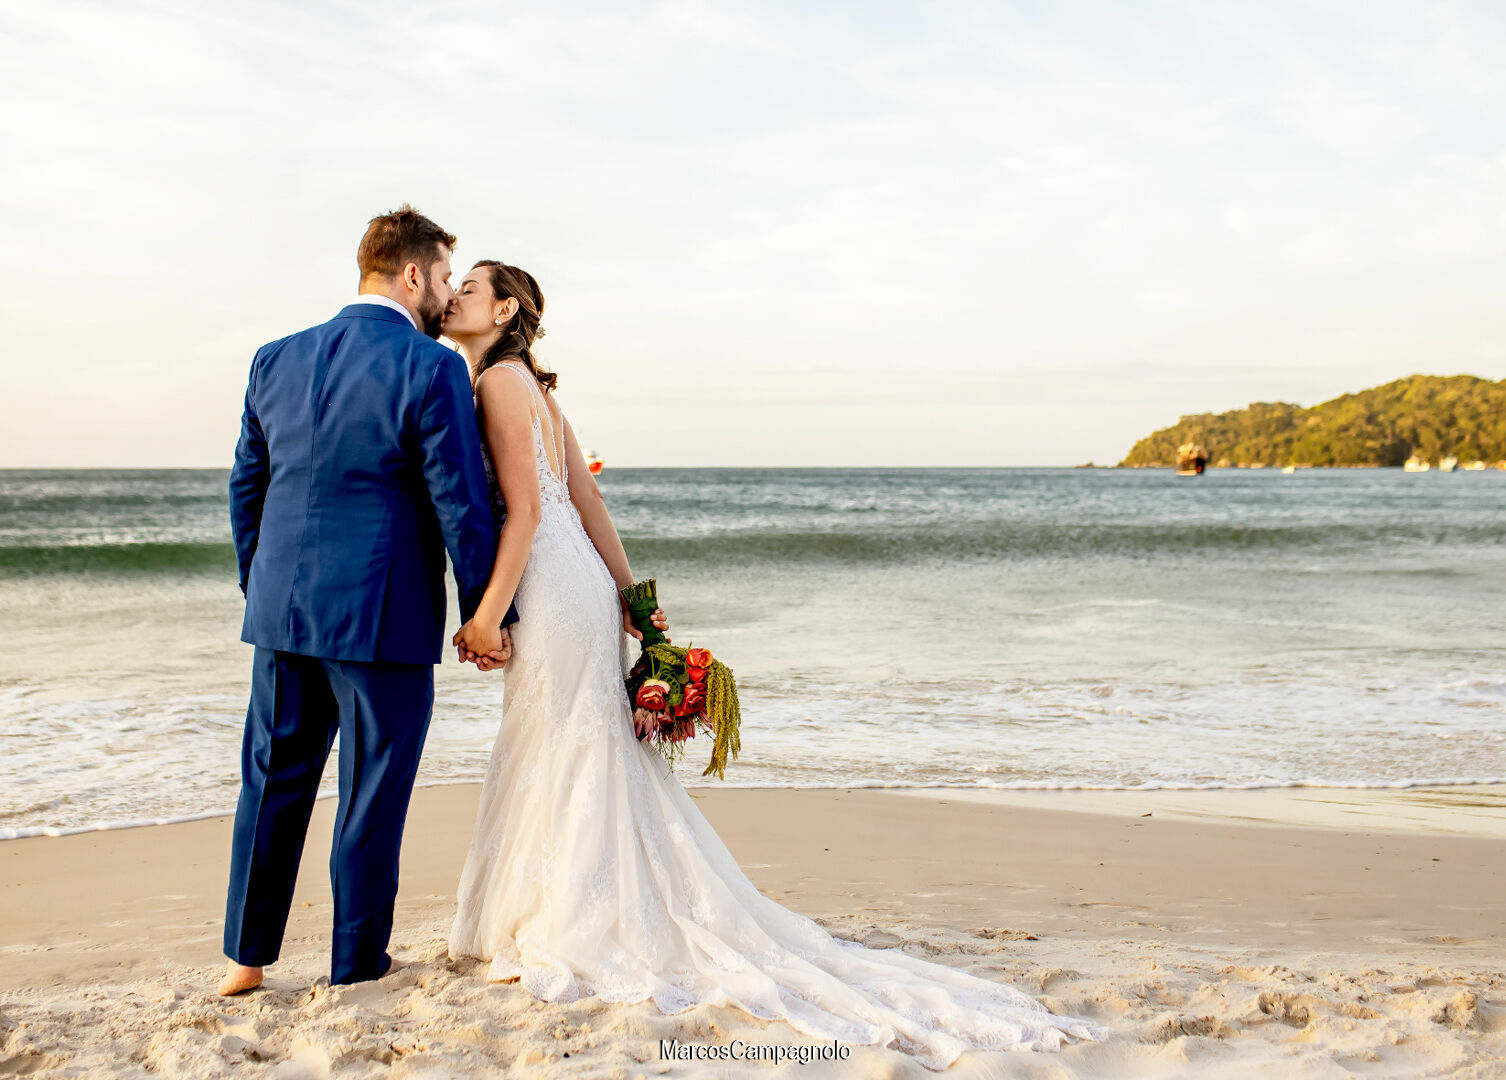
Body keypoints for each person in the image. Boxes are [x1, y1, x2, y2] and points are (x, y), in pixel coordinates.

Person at [441, 262, 1106, 1070]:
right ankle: (567, 902)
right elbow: (590, 502)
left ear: (504, 309)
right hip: (578, 583)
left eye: (470, 287)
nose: (455, 295)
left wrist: (485, 615)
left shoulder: (496, 383)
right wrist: (634, 603)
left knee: (563, 741)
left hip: (549, 584)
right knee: (581, 743)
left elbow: (529, 511)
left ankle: (565, 915)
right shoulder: (538, 391)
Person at [219, 206, 513, 995]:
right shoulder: (430, 367)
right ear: (413, 274)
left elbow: (247, 486)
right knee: (369, 794)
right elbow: (459, 503)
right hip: (382, 617)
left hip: (282, 611)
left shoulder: (274, 358)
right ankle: (355, 964)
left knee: (271, 781)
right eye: (444, 277)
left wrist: (261, 583)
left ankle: (246, 959)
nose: (446, 294)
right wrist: (485, 614)